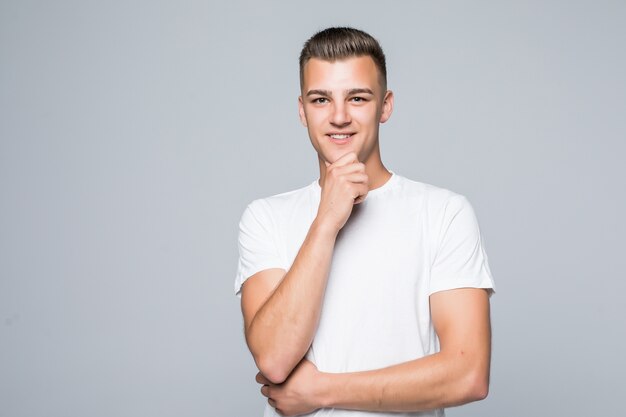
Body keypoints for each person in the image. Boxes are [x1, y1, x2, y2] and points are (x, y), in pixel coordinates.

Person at [234, 27, 495, 417]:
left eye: (357, 98)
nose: (339, 117)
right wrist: (326, 221)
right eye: (321, 99)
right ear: (302, 111)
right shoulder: (265, 218)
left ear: (385, 106)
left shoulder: (444, 213)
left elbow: (468, 373)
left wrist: (322, 391)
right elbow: (273, 358)